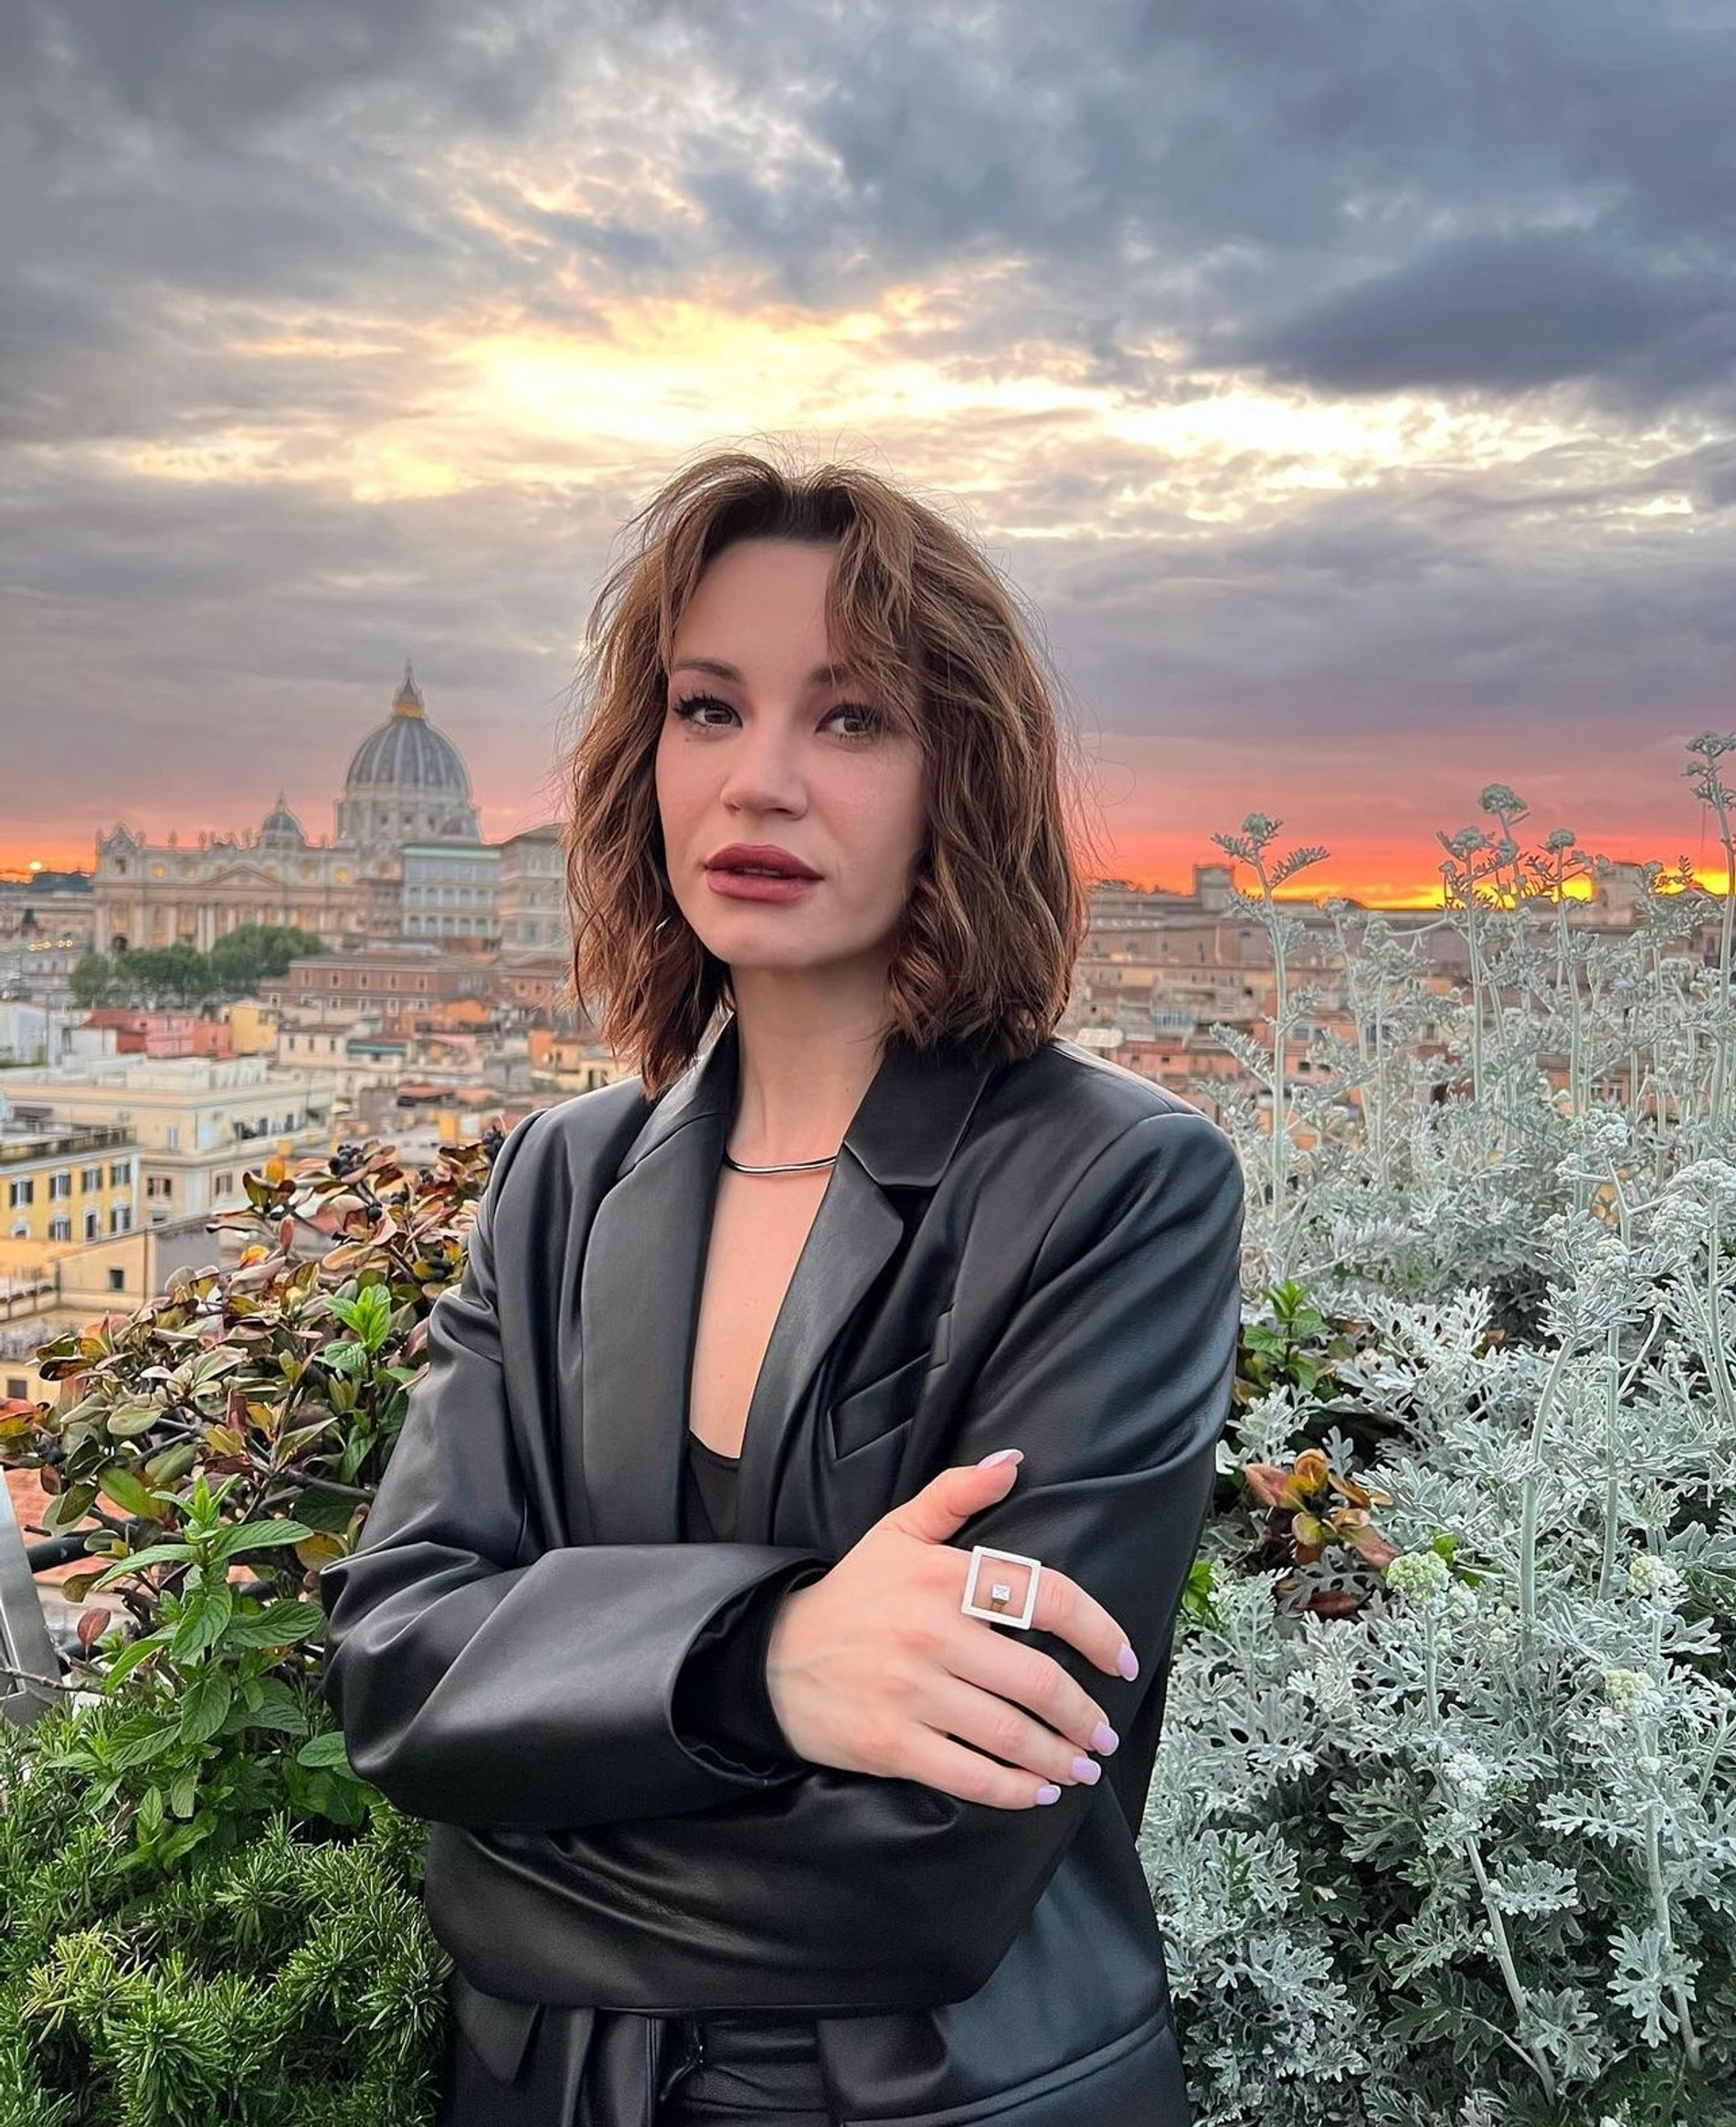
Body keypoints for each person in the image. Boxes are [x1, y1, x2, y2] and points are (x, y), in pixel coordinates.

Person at [318, 446, 1245, 2127]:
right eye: (707, 709)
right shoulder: (559, 1178)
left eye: (852, 718)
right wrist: (768, 1660)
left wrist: (498, 1871)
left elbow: (937, 1865)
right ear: (647, 760)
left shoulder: (1119, 1186)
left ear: (962, 775)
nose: (759, 782)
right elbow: (393, 1663)